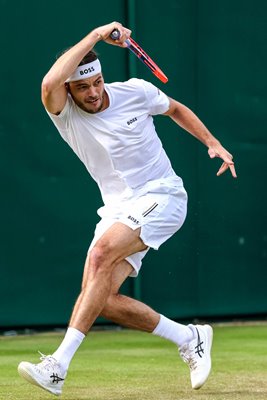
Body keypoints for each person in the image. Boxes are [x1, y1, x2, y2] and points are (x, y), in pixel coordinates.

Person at [18, 21, 237, 396]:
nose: (93, 92)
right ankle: (190, 337)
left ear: (104, 77)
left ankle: (57, 366)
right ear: (69, 91)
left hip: (163, 195)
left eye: (97, 82)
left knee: (101, 254)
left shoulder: (136, 91)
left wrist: (211, 142)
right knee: (101, 299)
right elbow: (47, 85)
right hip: (117, 208)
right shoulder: (65, 113)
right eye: (82, 87)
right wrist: (96, 35)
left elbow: (176, 109)